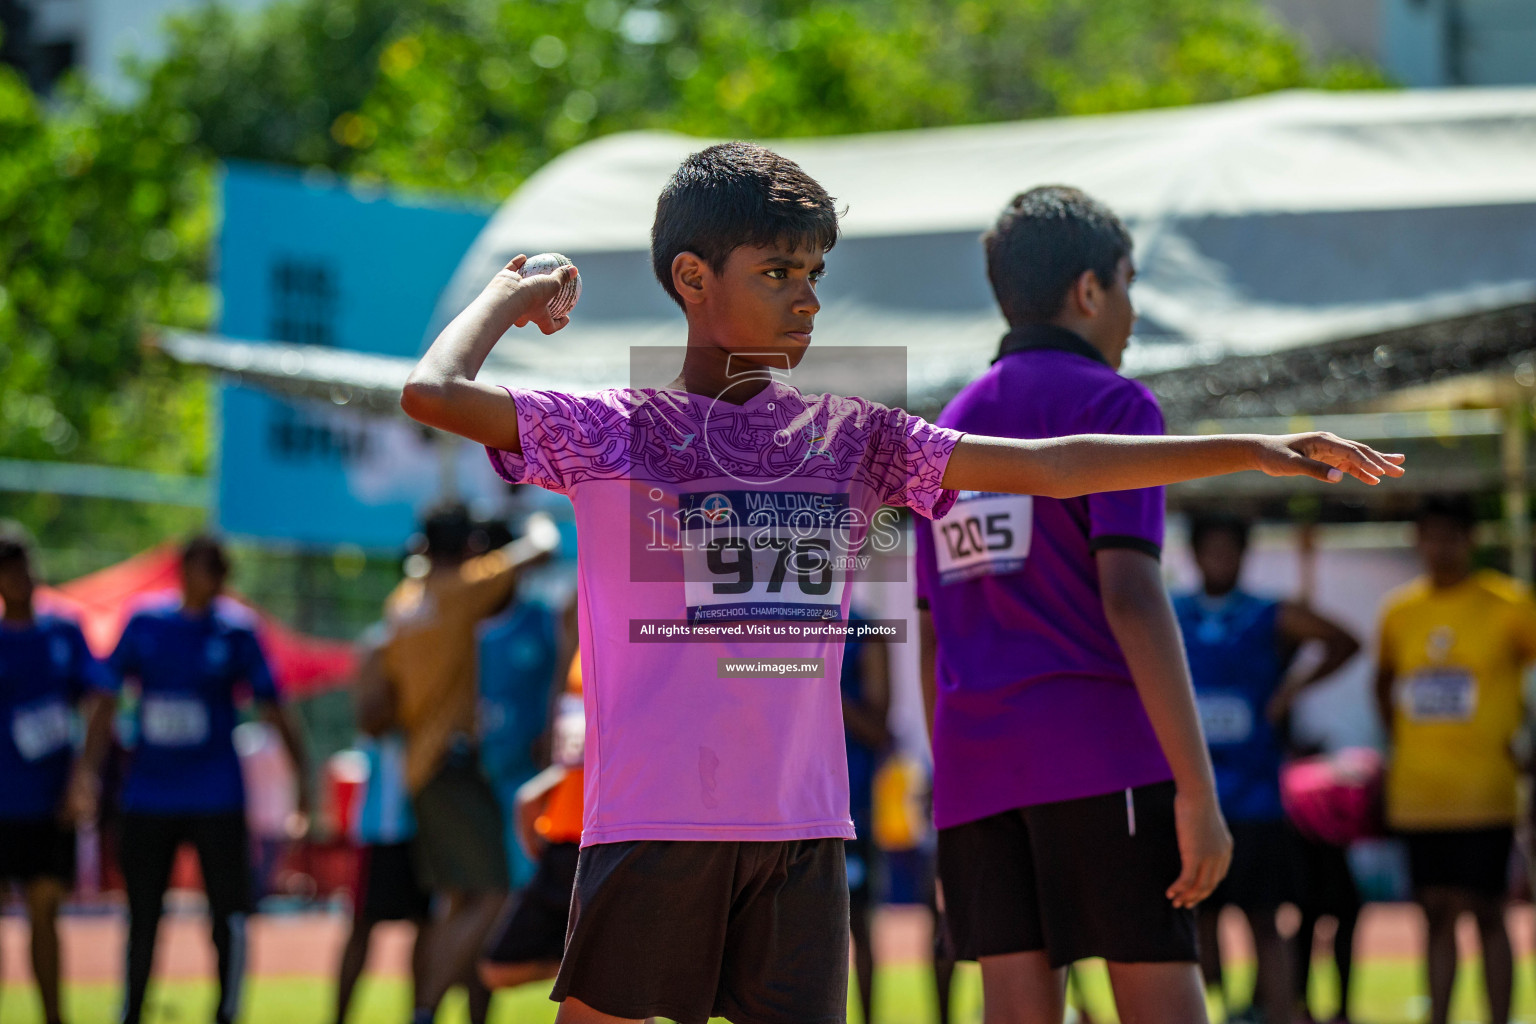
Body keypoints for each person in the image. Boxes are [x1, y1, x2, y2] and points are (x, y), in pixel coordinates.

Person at [398, 141, 1402, 1024]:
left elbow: (1053, 466)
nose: (808, 295)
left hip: (804, 830)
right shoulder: (615, 427)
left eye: (816, 271)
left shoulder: (854, 437)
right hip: (656, 822)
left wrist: (1251, 450)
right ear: (692, 276)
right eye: (779, 269)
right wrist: (510, 296)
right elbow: (432, 392)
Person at [915, 185, 1222, 1024]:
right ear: (1091, 291)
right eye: (1127, 286)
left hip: (978, 779)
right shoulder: (1117, 407)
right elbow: (1131, 595)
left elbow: (930, 635)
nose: (1130, 313)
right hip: (1104, 758)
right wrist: (1197, 790)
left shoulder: (947, 433)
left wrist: (951, 792)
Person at [78, 535, 311, 1024]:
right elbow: (104, 697)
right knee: (142, 914)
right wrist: (85, 771)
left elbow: (276, 707)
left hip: (215, 797)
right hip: (149, 796)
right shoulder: (145, 622)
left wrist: (303, 781)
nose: (216, 583)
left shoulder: (237, 631)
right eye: (209, 570)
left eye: (223, 573)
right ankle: (132, 1008)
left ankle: (228, 1010)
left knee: (228, 912)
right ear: (184, 570)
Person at [1174, 513, 1360, 1024]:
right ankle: (1217, 1011)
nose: (1220, 560)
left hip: (1255, 800)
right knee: (1194, 922)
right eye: (1210, 550)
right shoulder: (1170, 612)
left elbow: (1344, 640)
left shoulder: (1266, 614)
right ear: (1193, 555)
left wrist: (1290, 691)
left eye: (1229, 550)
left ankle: (1273, 1011)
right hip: (1191, 796)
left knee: (1262, 922)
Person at [381, 504, 556, 1024]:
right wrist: (529, 515)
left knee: (457, 902)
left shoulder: (404, 601)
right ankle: (427, 1010)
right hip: (451, 762)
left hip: (419, 765)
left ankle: (437, 1008)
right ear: (470, 549)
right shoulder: (460, 590)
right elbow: (541, 546)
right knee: (494, 893)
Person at [1374, 495, 1532, 1024]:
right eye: (1430, 535)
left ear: (1471, 540)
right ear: (1417, 541)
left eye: (1451, 535)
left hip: (1485, 790)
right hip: (1419, 794)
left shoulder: (1509, 604)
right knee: (1435, 916)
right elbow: (1384, 683)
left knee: (1489, 913)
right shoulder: (1400, 611)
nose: (1440, 547)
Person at [0, 528, 113, 1024]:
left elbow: (102, 697)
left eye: (25, 566)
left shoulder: (64, 632)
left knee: (46, 913)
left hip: (50, 804)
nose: (21, 579)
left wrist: (83, 775)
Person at [333, 633, 433, 1024]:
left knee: (427, 926)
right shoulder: (381, 647)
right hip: (382, 823)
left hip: (427, 822)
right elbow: (372, 717)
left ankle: (420, 1014)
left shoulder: (442, 642)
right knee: (361, 928)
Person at [479, 649, 586, 993]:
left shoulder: (655, 633)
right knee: (498, 968)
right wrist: (546, 785)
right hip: (563, 836)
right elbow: (582, 751)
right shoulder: (587, 643)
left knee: (618, 980)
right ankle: (592, 969)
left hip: (606, 836)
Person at [840, 612, 892, 1024]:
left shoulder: (866, 631)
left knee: (859, 925)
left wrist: (821, 692)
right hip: (795, 810)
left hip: (853, 809)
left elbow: (879, 729)